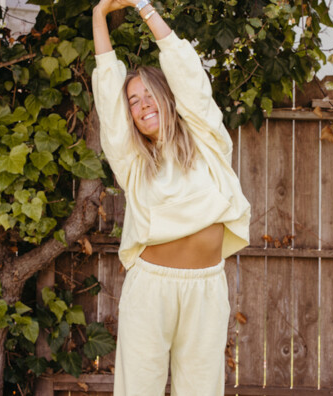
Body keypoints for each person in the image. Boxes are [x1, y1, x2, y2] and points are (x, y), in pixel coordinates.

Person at [91, 1, 251, 395]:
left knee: (201, 388)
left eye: (149, 94)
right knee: (138, 388)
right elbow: (108, 97)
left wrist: (143, 6)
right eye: (133, 101)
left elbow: (188, 75)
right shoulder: (132, 162)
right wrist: (99, 14)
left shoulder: (207, 141)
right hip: (151, 289)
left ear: (167, 97)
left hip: (206, 286)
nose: (142, 104)